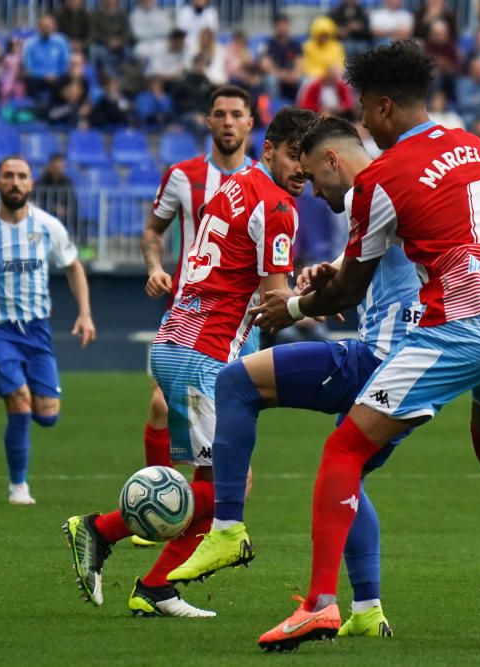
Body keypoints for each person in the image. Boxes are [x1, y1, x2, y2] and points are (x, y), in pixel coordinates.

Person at [213, 41, 480, 650]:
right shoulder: (479, 148)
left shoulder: (382, 176)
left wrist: (295, 308)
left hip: (463, 323)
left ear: (384, 106)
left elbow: (351, 288)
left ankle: (319, 604)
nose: (364, 118)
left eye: (364, 105)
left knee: (344, 450)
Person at [169, 115, 424, 639]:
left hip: (379, 359)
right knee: (345, 477)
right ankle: (369, 609)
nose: (312, 191)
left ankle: (226, 528)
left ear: (332, 159)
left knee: (237, 382)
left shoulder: (367, 191)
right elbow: (378, 253)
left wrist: (297, 304)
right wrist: (330, 265)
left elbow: (350, 285)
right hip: (416, 366)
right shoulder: (398, 186)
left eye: (312, 176)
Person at [62, 105, 313, 618]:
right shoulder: (279, 206)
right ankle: (103, 532)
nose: (301, 171)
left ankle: (155, 587)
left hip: (177, 342)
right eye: (293, 157)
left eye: (308, 161)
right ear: (269, 150)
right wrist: (314, 295)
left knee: (215, 486)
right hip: (205, 355)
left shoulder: (235, 183)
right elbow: (274, 305)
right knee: (228, 491)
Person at [134, 85, 256, 543]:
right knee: (161, 405)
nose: (227, 121)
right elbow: (153, 230)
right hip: (187, 311)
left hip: (241, 324)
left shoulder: (263, 181)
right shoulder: (183, 177)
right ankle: (161, 509)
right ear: (208, 122)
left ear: (249, 123)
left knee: (228, 427)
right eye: (219, 114)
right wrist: (154, 267)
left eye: (236, 114)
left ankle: (207, 516)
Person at [0, 156, 96, 505]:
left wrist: (85, 313)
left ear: (31, 184)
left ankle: (0, 381)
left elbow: (74, 267)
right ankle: (19, 487)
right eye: (8, 176)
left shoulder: (49, 227)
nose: (15, 182)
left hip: (36, 330)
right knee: (20, 404)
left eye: (22, 177)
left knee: (47, 416)